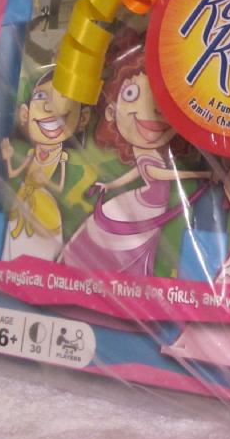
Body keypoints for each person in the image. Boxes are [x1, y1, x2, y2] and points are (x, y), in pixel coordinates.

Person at [60, 38, 210, 276]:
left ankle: (128, 278)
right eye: (131, 94)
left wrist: (110, 184)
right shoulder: (147, 155)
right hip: (143, 206)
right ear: (111, 111)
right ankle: (100, 274)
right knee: (129, 245)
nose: (148, 110)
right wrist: (201, 173)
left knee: (140, 246)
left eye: (161, 99)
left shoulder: (150, 151)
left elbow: (140, 172)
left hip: (149, 205)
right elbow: (156, 173)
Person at [0, 71, 89, 262]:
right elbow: (13, 173)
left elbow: (59, 187)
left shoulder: (61, 156)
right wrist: (7, 158)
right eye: (41, 96)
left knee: (44, 256)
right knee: (14, 249)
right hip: (22, 202)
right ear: (25, 114)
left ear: (82, 119)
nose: (50, 106)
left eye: (65, 98)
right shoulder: (31, 153)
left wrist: (45, 182)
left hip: (44, 208)